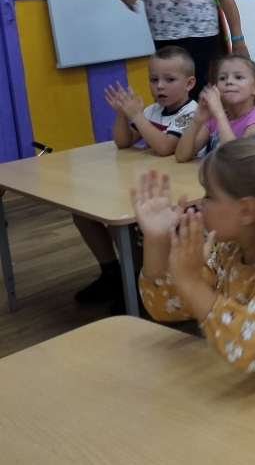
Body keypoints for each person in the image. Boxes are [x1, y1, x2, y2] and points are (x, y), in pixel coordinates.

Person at [132, 135, 255, 372]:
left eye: (208, 195)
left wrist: (193, 283)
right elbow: (163, 306)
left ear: (246, 211)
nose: (200, 205)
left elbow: (251, 351)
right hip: (240, 380)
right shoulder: (229, 251)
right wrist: (157, 240)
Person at [72, 45, 197, 313]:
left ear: (189, 83)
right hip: (154, 185)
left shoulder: (191, 112)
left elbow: (165, 147)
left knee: (123, 221)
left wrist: (137, 116)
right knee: (83, 213)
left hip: (181, 194)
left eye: (169, 80)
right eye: (154, 80)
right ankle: (112, 274)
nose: (159, 86)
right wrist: (122, 114)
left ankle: (138, 281)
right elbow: (123, 141)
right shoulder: (153, 111)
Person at [175, 55, 255, 161]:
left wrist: (219, 114)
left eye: (238, 77)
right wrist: (197, 120)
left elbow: (236, 160)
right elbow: (181, 156)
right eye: (222, 78)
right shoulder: (215, 119)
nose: (229, 82)